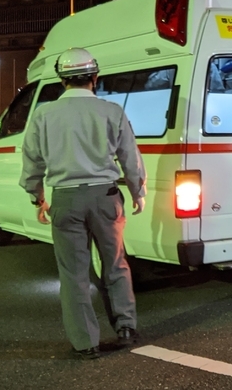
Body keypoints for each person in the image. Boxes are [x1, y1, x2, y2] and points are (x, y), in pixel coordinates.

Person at [19, 48, 147, 360]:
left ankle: (85, 343)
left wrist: (38, 197)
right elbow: (130, 157)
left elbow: (32, 162)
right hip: (105, 197)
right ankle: (126, 327)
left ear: (62, 80)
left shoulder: (43, 115)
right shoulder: (112, 110)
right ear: (95, 77)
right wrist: (137, 191)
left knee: (74, 273)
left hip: (65, 199)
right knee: (115, 262)